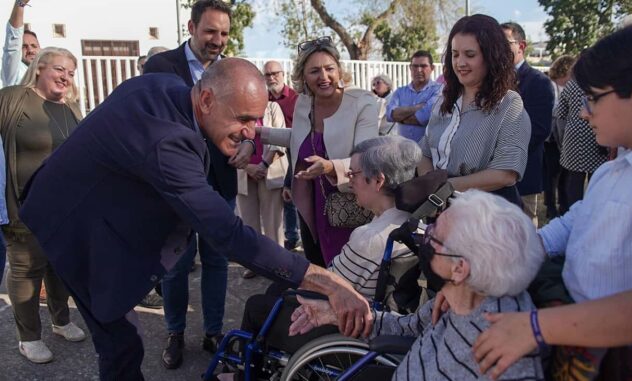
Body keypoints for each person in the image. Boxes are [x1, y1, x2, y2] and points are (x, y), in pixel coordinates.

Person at [18, 57, 373, 381]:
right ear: (206, 100)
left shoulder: (164, 87)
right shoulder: (167, 142)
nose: (251, 132)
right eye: (244, 119)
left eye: (257, 120)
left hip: (92, 206)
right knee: (120, 343)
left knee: (123, 338)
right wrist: (323, 280)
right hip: (72, 226)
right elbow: (227, 234)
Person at [472, 19, 632, 380]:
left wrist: (535, 326)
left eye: (594, 98)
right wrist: (491, 263)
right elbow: (575, 221)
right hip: (583, 342)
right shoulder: (620, 164)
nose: (583, 112)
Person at [289, 190, 545, 380]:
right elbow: (409, 327)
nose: (423, 237)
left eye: (434, 236)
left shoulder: (506, 349)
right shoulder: (458, 296)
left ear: (460, 268)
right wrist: (336, 314)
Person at [238, 135, 422, 360]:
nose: (349, 180)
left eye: (353, 173)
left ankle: (243, 372)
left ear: (378, 181)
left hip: (346, 327)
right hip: (381, 308)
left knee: (257, 305)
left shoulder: (370, 237)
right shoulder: (417, 224)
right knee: (276, 290)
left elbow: (328, 283)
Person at [143, 0, 245, 368]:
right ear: (191, 27)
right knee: (176, 263)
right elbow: (150, 121)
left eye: (224, 33)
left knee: (217, 260)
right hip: (176, 182)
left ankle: (213, 332)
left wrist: (246, 145)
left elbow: (245, 122)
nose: (218, 40)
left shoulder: (232, 71)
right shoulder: (160, 66)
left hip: (221, 181)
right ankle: (175, 333)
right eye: (210, 31)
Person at [256, 36, 379, 267]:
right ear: (303, 75)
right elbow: (300, 139)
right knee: (318, 267)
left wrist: (332, 167)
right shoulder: (304, 102)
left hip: (351, 204)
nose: (324, 77)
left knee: (350, 272)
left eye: (329, 68)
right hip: (310, 203)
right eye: (314, 71)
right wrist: (257, 133)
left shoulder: (362, 102)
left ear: (339, 70)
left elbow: (367, 155)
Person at [0, 47, 86, 364]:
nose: (66, 77)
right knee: (27, 270)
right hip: (22, 206)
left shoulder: (72, 108)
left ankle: (61, 321)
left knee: (59, 268)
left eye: (71, 73)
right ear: (39, 68)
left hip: (63, 209)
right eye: (60, 69)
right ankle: (29, 338)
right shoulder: (12, 98)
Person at [418, 14, 531, 207]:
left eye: (470, 55)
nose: (460, 63)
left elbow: (505, 174)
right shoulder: (443, 100)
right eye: (455, 54)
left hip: (487, 218)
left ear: (491, 56)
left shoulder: (509, 104)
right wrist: (431, 185)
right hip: (440, 213)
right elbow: (424, 153)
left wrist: (445, 187)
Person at [502, 22, 555, 226]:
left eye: (504, 43)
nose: (498, 48)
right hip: (489, 176)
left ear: (521, 46)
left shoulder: (538, 82)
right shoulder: (489, 81)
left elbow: (539, 129)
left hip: (523, 172)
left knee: (524, 235)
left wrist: (503, 153)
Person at [236, 100, 287, 279]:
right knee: (248, 221)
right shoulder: (236, 106)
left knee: (273, 220)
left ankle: (279, 264)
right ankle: (254, 264)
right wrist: (248, 167)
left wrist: (263, 165)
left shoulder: (272, 107)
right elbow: (230, 140)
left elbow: (279, 138)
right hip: (242, 170)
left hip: (269, 170)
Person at [263, 60, 301, 251]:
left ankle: (293, 235)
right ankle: (287, 236)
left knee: (292, 195)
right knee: (280, 198)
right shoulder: (263, 100)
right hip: (273, 154)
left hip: (293, 151)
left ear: (283, 74)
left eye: (275, 73)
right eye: (267, 75)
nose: (271, 78)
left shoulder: (295, 98)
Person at [555, 78, 608, 213]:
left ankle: (572, 212)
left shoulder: (572, 84)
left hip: (574, 136)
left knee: (574, 179)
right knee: (596, 178)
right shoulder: (601, 82)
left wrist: (561, 139)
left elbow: (560, 114)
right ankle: (592, 212)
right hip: (597, 133)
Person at [543, 55, 576, 218]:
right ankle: (550, 206)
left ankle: (563, 205)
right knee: (552, 176)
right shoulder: (550, 85)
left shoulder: (567, 87)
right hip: (551, 139)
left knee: (564, 176)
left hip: (563, 139)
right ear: (566, 70)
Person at [386, 50, 441, 142]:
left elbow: (425, 118)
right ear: (410, 68)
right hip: (402, 150)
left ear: (432, 68)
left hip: (427, 152)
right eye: (415, 66)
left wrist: (400, 117)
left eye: (423, 66)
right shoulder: (400, 92)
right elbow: (390, 115)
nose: (419, 70)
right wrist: (418, 107)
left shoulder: (439, 90)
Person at [2, 0, 40, 88]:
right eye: (24, 46)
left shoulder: (47, 73)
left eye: (34, 46)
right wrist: (20, 3)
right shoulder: (14, 72)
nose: (30, 50)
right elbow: (13, 40)